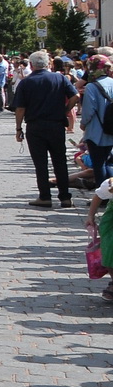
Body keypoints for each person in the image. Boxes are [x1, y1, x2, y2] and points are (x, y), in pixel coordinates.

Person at [12, 49, 79, 208]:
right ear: (48, 64)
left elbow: (20, 108)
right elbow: (75, 96)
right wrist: (65, 110)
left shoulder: (26, 82)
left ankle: (45, 196)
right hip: (56, 124)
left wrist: (18, 128)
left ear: (31, 65)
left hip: (36, 126)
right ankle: (65, 197)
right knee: (60, 161)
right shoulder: (59, 78)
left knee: (40, 163)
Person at [78, 54, 113, 181]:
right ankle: (110, 190)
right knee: (109, 162)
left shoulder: (92, 87)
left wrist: (83, 124)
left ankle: (101, 191)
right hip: (111, 129)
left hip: (96, 130)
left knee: (99, 164)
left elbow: (88, 111)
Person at [87, 171, 113, 304]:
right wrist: (90, 216)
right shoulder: (110, 184)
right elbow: (98, 196)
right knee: (109, 253)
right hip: (111, 224)